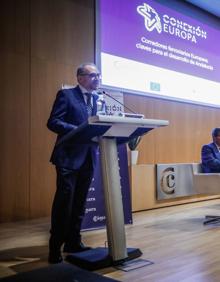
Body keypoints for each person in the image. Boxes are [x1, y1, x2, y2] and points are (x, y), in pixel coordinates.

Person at [47, 62, 101, 263]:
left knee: (80, 202)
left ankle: (73, 242)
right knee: (64, 203)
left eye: (98, 75)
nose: (97, 79)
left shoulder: (96, 99)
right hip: (69, 157)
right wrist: (77, 129)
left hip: (88, 156)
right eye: (93, 75)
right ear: (80, 78)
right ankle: (55, 248)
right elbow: (53, 122)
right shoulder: (66, 95)